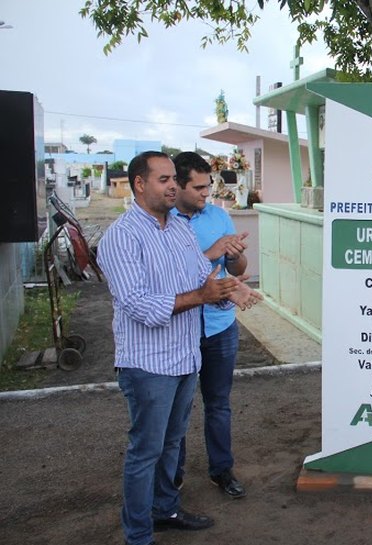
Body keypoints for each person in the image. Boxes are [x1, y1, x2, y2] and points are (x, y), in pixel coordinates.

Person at [97, 151, 257, 545]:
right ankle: (138, 535)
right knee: (145, 451)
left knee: (171, 444)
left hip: (185, 355)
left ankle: (165, 509)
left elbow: (200, 277)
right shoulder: (121, 236)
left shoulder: (179, 230)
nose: (171, 186)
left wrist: (228, 293)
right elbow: (139, 304)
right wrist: (202, 294)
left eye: (173, 179)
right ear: (139, 184)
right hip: (149, 363)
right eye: (163, 179)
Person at [172, 151, 258, 498]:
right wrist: (211, 251)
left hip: (220, 326)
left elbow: (235, 270)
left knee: (218, 404)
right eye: (198, 188)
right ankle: (170, 477)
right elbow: (171, 275)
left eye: (208, 187)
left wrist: (235, 256)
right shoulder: (164, 223)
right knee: (176, 409)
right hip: (180, 328)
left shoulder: (218, 217)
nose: (206, 194)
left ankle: (221, 470)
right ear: (176, 185)